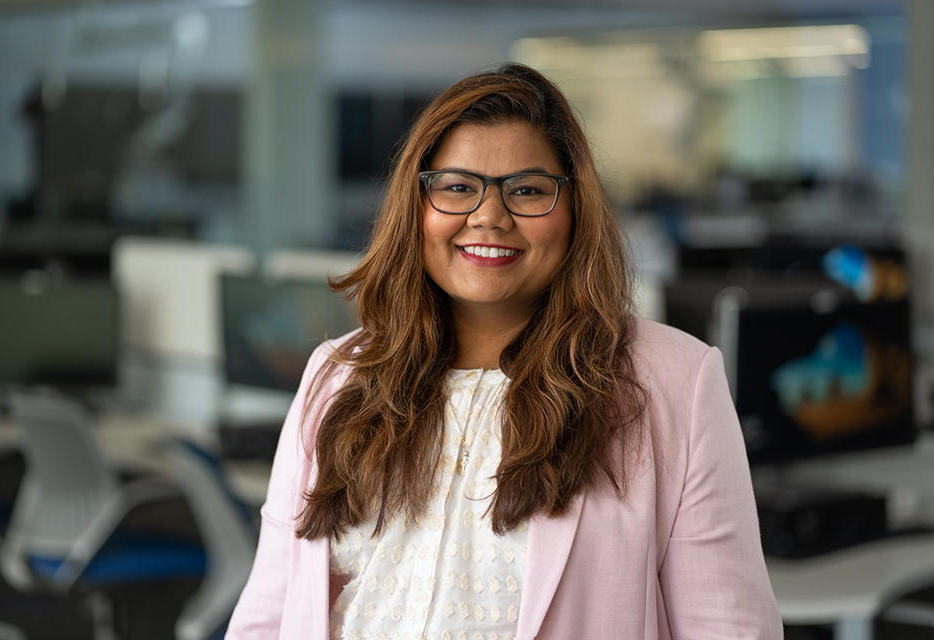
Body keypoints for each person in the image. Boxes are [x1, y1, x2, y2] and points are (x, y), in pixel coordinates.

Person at [226, 63, 783, 640]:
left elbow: (731, 629)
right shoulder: (338, 376)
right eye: (458, 186)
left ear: (574, 211)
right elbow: (269, 613)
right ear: (416, 205)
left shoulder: (676, 381)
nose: (489, 216)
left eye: (527, 190)